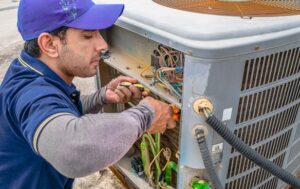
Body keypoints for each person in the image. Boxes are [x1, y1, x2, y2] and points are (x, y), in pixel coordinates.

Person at [0, 0, 176, 188]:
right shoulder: (31, 92)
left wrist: (99, 98)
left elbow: (56, 108)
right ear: (49, 44)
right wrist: (146, 115)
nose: (103, 44)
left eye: (98, 33)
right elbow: (71, 150)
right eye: (88, 35)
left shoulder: (28, 69)